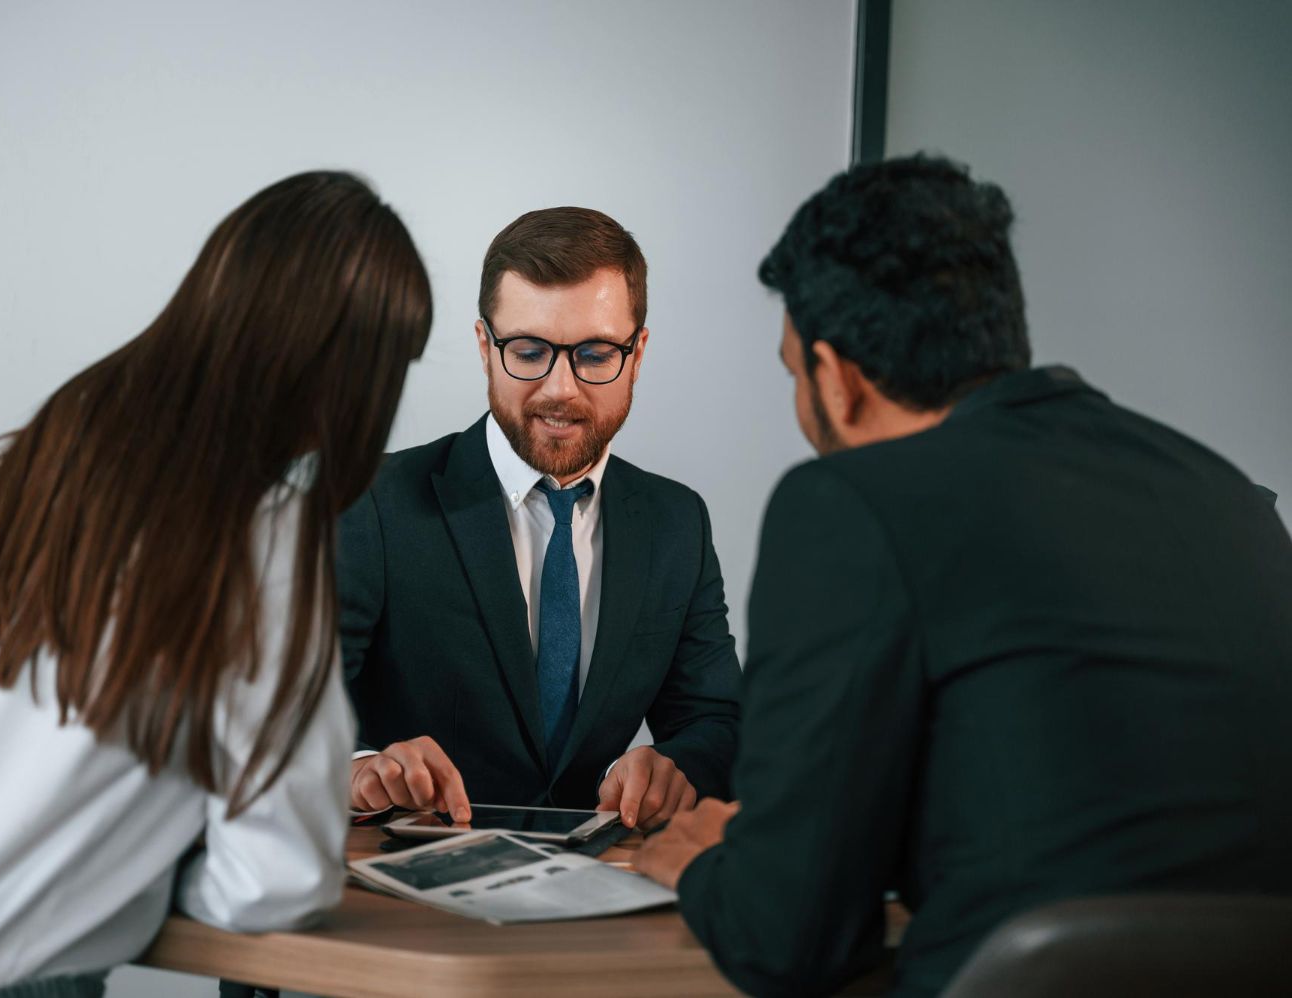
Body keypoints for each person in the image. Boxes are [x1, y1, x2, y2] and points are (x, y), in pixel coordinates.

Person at [633, 154, 1292, 997]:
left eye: (794, 374)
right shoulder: (1226, 495)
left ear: (837, 381)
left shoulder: (847, 504)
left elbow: (784, 939)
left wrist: (711, 863)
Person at [0, 171, 433, 997]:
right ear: (351, 377)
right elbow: (280, 879)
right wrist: (153, 888)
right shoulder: (263, 534)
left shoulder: (16, 468)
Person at [338, 207, 740, 830]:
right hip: (410, 888)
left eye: (596, 353)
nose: (561, 388)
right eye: (528, 351)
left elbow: (714, 720)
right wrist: (360, 768)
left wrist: (673, 764)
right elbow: (283, 717)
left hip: (603, 893)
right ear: (483, 348)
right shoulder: (374, 499)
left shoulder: (676, 521)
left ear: (638, 353)